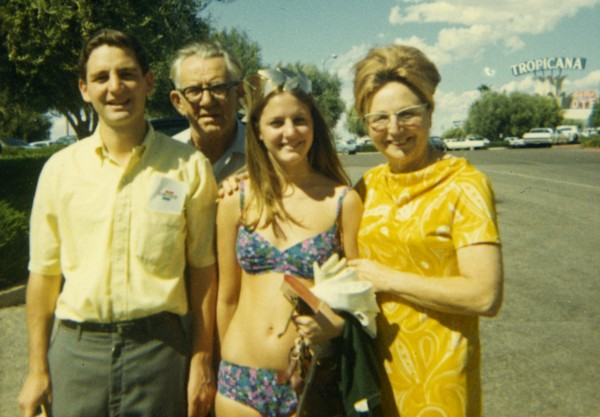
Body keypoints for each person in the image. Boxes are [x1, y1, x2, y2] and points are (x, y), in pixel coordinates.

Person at [17, 29, 218, 417]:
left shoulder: (189, 167)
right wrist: (36, 368)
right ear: (84, 89)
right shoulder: (59, 171)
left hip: (161, 354)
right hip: (76, 357)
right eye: (100, 78)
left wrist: (201, 359)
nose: (115, 87)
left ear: (148, 82)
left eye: (126, 74)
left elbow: (203, 272)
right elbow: (43, 278)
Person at [347, 44, 504, 417]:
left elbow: (484, 296)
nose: (394, 130)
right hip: (373, 373)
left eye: (407, 114)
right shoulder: (367, 186)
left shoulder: (464, 185)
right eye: (379, 119)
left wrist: (387, 278)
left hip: (440, 381)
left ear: (430, 112)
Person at [214, 68, 364, 417]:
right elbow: (227, 298)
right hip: (239, 381)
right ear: (258, 132)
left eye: (300, 120)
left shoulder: (343, 201)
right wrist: (222, 368)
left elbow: (360, 299)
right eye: (276, 122)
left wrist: (338, 325)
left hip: (309, 384)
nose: (290, 132)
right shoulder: (234, 200)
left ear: (315, 127)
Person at [169, 40, 246, 182]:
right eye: (194, 90)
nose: (207, 101)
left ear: (239, 93)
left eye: (218, 88)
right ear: (178, 102)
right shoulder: (165, 159)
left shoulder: (266, 154)